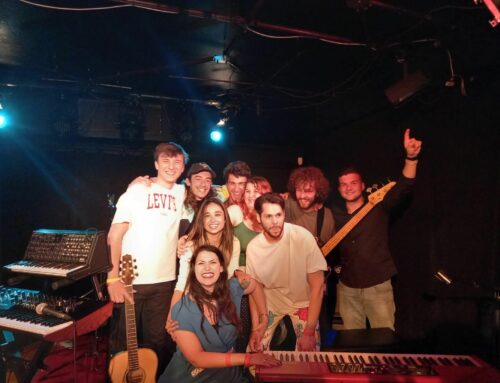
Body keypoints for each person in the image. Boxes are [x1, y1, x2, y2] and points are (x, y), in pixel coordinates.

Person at [107, 142, 188, 376]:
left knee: (159, 343)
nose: (171, 166)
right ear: (155, 164)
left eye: (177, 162)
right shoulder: (137, 191)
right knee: (122, 345)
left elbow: (217, 188)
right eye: (166, 161)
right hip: (130, 281)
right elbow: (115, 235)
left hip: (164, 283)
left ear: (183, 167)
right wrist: (113, 278)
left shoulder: (183, 192)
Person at [333, 128, 422, 331]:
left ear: (362, 185)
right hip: (347, 288)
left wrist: (411, 158)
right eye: (344, 184)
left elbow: (405, 185)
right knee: (352, 346)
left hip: (378, 285)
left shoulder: (379, 206)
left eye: (353, 183)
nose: (349, 187)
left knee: (384, 340)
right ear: (339, 189)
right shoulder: (334, 215)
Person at [158, 245, 281, 383]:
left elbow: (256, 286)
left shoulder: (232, 288)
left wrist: (262, 323)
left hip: (227, 374)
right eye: (201, 263)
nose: (207, 268)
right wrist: (248, 358)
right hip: (191, 376)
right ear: (193, 269)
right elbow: (196, 358)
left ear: (221, 267)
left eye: (213, 262)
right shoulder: (181, 309)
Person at [246, 193, 328, 351]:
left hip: (302, 303)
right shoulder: (253, 248)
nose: (275, 221)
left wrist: (310, 331)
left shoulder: (303, 237)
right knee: (254, 354)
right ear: (258, 217)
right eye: (268, 216)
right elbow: (254, 291)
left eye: (278, 215)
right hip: (271, 303)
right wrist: (255, 329)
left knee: (309, 357)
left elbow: (318, 286)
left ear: (284, 214)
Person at [285, 166, 336, 346]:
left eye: (308, 191)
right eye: (299, 190)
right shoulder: (288, 204)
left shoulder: (327, 216)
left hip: (312, 285)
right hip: (287, 284)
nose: (302, 195)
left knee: (315, 336)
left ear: (318, 192)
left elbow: (326, 251)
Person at [227, 176, 272, 271]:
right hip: (237, 273)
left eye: (255, 192)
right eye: (247, 191)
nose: (251, 195)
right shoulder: (236, 211)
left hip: (262, 272)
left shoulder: (271, 218)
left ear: (265, 194)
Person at [180, 162, 217, 236]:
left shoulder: (213, 203)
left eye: (207, 180)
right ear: (188, 182)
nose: (203, 184)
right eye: (198, 179)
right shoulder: (178, 200)